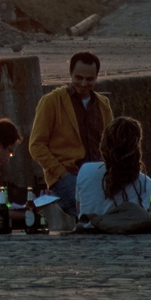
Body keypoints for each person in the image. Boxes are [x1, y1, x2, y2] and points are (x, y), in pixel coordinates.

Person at [28, 51, 113, 219]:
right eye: (78, 77)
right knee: (89, 214)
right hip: (68, 174)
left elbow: (111, 144)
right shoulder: (51, 101)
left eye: (89, 79)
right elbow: (36, 145)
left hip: (99, 174)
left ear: (97, 77)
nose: (83, 83)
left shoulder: (103, 105)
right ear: (70, 74)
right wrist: (61, 172)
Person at [75, 116, 151, 226]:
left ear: (105, 142)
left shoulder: (85, 170)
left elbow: (79, 209)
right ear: (136, 147)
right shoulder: (144, 182)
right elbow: (141, 218)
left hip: (88, 235)